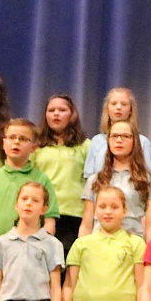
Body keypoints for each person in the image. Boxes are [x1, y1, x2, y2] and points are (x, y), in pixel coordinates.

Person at [0, 119, 61, 255]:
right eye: (12, 138)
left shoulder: (41, 180)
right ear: (4, 143)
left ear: (34, 147)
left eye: (23, 139)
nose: (16, 142)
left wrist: (38, 247)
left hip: (27, 259)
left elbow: (49, 222)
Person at [79, 120, 151, 240]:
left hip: (132, 245)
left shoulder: (148, 179)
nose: (119, 140)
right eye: (114, 136)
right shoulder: (95, 180)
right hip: (99, 245)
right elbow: (86, 225)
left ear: (135, 141)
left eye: (125, 136)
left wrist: (149, 255)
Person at [34, 94, 90, 253]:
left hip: (73, 214)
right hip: (42, 214)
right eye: (51, 110)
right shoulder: (37, 146)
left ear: (72, 115)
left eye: (62, 110)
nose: (56, 114)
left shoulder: (85, 146)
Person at [82, 87, 151, 178]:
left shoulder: (142, 142)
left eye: (124, 104)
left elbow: (148, 177)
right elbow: (89, 177)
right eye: (113, 104)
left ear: (130, 110)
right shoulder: (97, 141)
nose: (118, 107)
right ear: (107, 109)